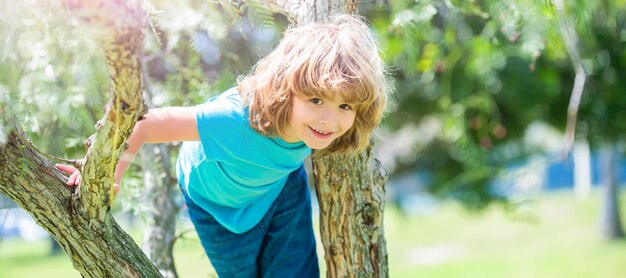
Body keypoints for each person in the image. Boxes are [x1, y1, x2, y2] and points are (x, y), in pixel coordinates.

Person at [56, 14, 388, 277]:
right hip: (217, 208)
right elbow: (145, 123)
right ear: (288, 89)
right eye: (317, 100)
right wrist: (108, 174)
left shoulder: (326, 128)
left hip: (279, 190)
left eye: (345, 106)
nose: (329, 120)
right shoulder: (233, 121)